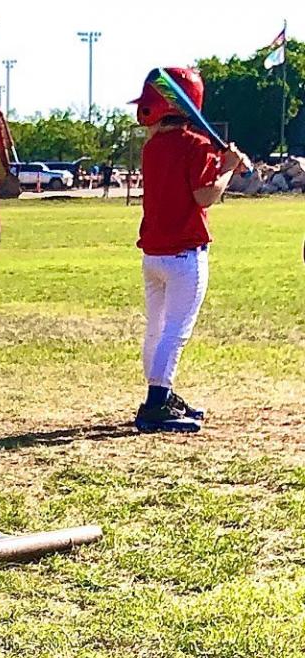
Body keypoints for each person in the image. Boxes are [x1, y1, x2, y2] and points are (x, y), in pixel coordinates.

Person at [128, 67, 246, 433]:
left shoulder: (152, 147)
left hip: (154, 254)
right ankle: (156, 401)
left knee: (157, 329)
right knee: (174, 332)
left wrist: (219, 163)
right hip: (185, 254)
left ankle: (161, 393)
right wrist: (227, 168)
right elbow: (205, 195)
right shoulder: (195, 144)